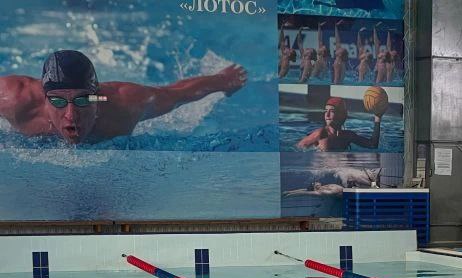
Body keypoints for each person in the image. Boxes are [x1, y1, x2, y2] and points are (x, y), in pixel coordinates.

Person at [0, 50, 246, 145]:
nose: (71, 115)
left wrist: (223, 81)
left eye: (83, 100)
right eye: (58, 101)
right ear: (44, 99)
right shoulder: (14, 100)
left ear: (97, 98)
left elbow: (177, 93)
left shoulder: (126, 104)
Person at [296, 96, 381, 152]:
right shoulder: (321, 134)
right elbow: (297, 148)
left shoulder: (348, 136)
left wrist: (377, 118)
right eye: (326, 111)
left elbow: (372, 145)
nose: (327, 115)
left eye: (332, 111)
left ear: (341, 114)